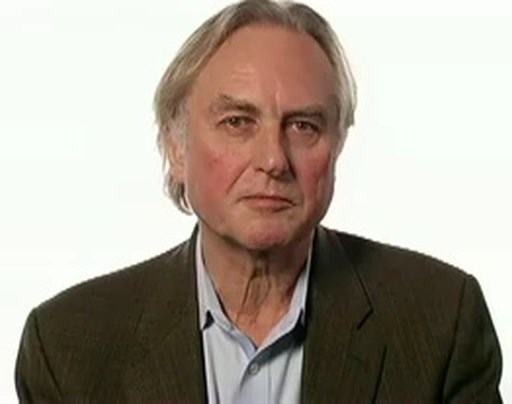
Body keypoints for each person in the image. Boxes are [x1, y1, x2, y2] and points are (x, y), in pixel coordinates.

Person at [15, 0, 502, 402]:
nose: (273, 159)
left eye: (304, 126)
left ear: (337, 147)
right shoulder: (67, 347)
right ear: (176, 147)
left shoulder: (440, 322)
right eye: (237, 122)